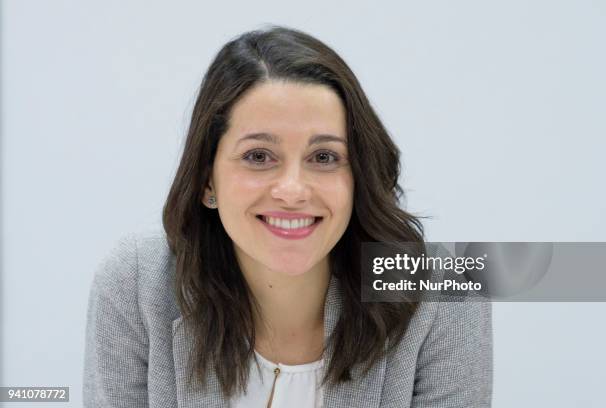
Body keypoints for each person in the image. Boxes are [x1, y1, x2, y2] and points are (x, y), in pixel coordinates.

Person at [83, 25, 492, 407]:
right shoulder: (135, 281)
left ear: (358, 177)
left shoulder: (446, 289)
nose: (293, 190)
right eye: (258, 156)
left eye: (324, 157)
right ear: (207, 180)